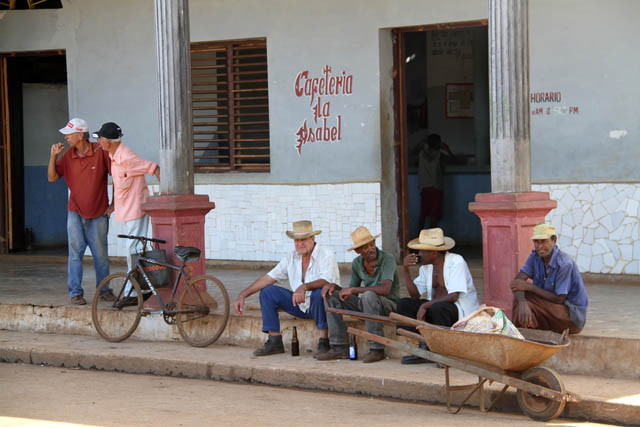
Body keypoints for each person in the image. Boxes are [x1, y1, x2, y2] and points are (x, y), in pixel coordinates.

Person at [234, 220, 340, 357]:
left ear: (313, 238)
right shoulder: (291, 257)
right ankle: (274, 341)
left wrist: (304, 287)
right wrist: (243, 295)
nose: (300, 244)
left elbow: (327, 280)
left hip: (323, 307)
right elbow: (268, 278)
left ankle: (324, 341)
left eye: (304, 240)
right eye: (297, 240)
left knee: (319, 292)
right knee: (268, 292)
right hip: (301, 305)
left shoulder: (326, 254)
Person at [48, 118, 114, 305]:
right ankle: (75, 292)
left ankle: (104, 291)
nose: (66, 137)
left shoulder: (100, 152)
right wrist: (53, 156)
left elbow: (116, 175)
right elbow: (52, 178)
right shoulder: (68, 156)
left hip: (99, 212)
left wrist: (114, 204)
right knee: (75, 253)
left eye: (69, 134)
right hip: (75, 212)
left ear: (80, 134)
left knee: (100, 255)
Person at [94, 122, 160, 306]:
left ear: (107, 140)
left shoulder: (127, 156)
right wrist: (114, 204)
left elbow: (153, 168)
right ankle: (141, 290)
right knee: (134, 250)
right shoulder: (113, 155)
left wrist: (167, 195)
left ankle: (134, 292)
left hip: (136, 209)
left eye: (100, 138)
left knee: (133, 250)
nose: (99, 141)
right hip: (127, 209)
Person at [397, 228, 479, 364]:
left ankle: (443, 352)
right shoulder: (426, 267)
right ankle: (425, 346)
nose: (419, 254)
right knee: (403, 305)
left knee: (437, 307)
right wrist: (406, 270)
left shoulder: (456, 262)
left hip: (457, 312)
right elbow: (415, 295)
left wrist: (426, 305)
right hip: (435, 310)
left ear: (434, 253)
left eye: (422, 251)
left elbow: (453, 296)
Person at [320, 226, 400, 363]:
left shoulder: (388, 258)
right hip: (367, 304)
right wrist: (336, 287)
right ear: (358, 251)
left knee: (368, 295)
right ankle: (339, 347)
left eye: (372, 244)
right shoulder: (357, 263)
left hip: (388, 305)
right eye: (365, 247)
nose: (371, 248)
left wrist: (355, 290)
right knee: (331, 295)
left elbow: (385, 289)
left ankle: (377, 349)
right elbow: (351, 291)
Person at [509, 223, 588, 334]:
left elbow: (559, 299)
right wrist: (522, 302)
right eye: (536, 242)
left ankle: (521, 334)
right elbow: (516, 282)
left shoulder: (565, 264)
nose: (540, 246)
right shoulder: (535, 256)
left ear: (554, 240)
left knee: (530, 302)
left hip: (571, 316)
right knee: (521, 299)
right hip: (550, 310)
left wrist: (530, 287)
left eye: (544, 241)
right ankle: (525, 334)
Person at [416, 133, 458, 229]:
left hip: (425, 188)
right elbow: (455, 161)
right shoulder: (440, 155)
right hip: (436, 189)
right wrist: (448, 150)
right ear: (438, 144)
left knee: (423, 214)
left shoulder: (422, 154)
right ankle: (432, 239)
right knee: (433, 215)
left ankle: (419, 237)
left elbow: (415, 162)